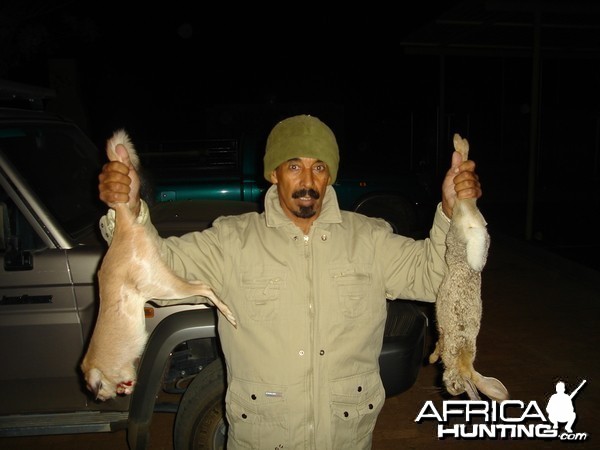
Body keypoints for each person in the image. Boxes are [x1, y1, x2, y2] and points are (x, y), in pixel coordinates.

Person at [98, 114, 482, 449]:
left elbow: (436, 279)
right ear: (274, 173)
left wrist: (452, 213)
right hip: (264, 438)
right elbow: (155, 270)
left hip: (346, 438)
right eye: (294, 166)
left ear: (330, 175)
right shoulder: (232, 241)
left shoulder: (370, 239)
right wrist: (129, 211)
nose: (307, 180)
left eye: (319, 167)